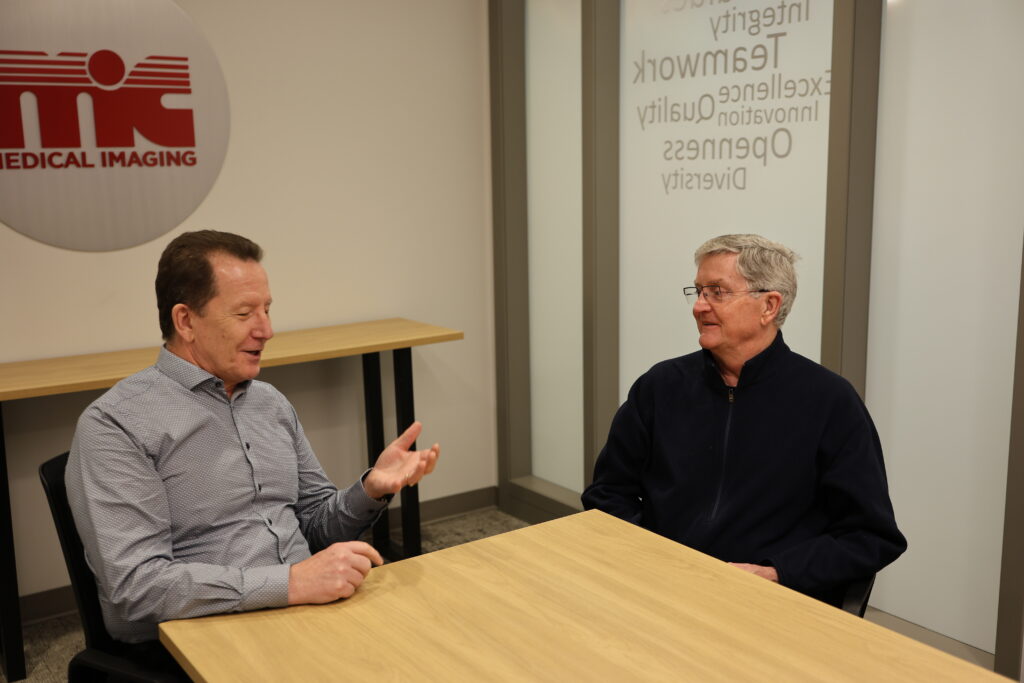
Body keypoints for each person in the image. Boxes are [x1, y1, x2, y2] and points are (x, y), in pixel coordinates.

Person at [67, 230, 440, 650]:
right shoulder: (115, 424)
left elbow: (315, 527)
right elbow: (138, 587)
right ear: (185, 321)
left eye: (267, 309)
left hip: (304, 609)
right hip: (200, 635)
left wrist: (370, 489)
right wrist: (291, 583)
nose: (267, 330)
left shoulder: (269, 403)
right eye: (245, 313)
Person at [582, 234, 906, 607]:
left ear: (769, 305)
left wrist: (775, 573)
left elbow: (870, 536)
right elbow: (607, 494)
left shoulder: (830, 401)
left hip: (767, 600)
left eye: (717, 292)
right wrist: (654, 558)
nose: (699, 306)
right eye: (698, 291)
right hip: (661, 587)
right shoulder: (660, 386)